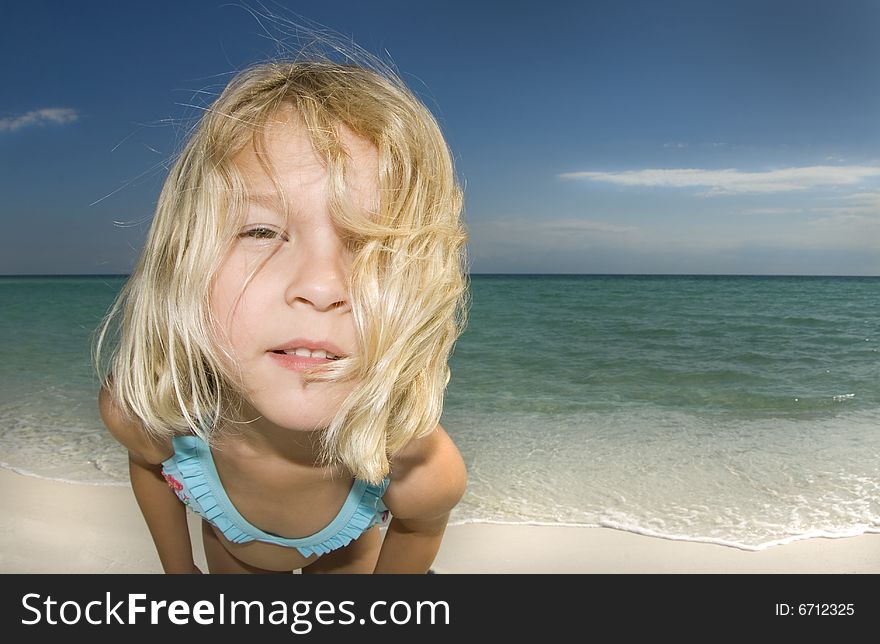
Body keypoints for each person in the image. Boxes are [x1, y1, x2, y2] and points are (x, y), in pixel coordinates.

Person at [94, 56, 469, 573]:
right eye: (261, 231)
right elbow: (148, 466)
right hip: (230, 542)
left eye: (372, 245)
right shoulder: (143, 413)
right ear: (180, 260)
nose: (321, 285)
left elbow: (419, 526)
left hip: (347, 550)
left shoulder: (420, 471)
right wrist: (178, 574)